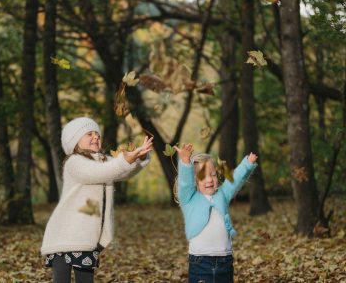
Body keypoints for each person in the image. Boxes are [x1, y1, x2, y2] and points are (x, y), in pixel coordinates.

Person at [41, 117, 153, 283]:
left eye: (97, 134)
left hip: (86, 237)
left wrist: (139, 158)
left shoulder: (103, 160)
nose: (96, 137)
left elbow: (122, 171)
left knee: (86, 280)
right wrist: (125, 160)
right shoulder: (74, 162)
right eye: (89, 134)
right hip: (64, 236)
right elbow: (102, 172)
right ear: (75, 142)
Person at [174, 143, 258, 283]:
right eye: (202, 177)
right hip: (199, 262)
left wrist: (247, 164)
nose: (209, 180)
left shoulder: (222, 194)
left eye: (212, 174)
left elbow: (235, 180)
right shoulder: (189, 199)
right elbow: (185, 183)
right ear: (195, 181)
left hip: (225, 260)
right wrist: (185, 162)